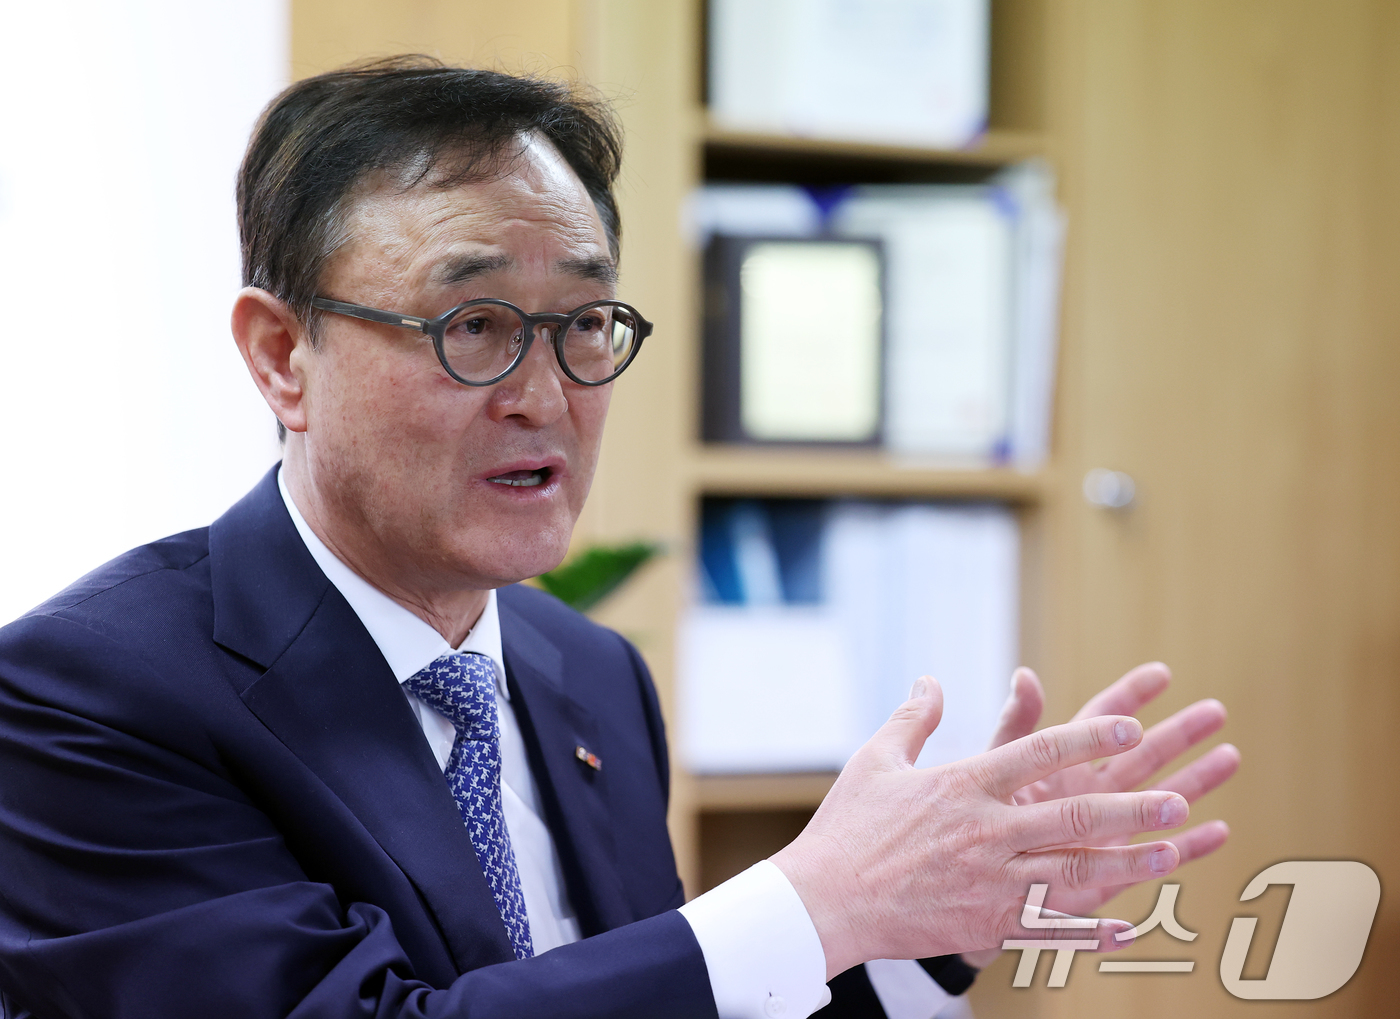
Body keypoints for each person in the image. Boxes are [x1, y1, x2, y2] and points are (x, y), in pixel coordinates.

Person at [0, 58, 1239, 1019]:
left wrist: (922, 929)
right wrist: (814, 898)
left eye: (586, 322)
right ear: (282, 355)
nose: (545, 394)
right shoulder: (86, 694)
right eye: (474, 325)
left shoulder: (585, 672)